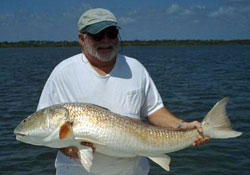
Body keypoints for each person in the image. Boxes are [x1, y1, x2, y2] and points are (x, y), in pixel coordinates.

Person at [37, 8, 209, 175]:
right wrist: (64, 147)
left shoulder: (136, 68)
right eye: (97, 35)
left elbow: (154, 110)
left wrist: (182, 126)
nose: (106, 41)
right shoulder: (63, 72)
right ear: (82, 39)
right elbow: (46, 126)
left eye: (111, 33)